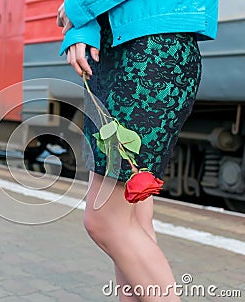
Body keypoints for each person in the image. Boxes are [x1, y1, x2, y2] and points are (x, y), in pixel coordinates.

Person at [57, 1, 218, 301]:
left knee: (105, 221)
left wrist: (77, 7)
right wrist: (84, 26)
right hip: (120, 49)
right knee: (133, 221)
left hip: (148, 55)